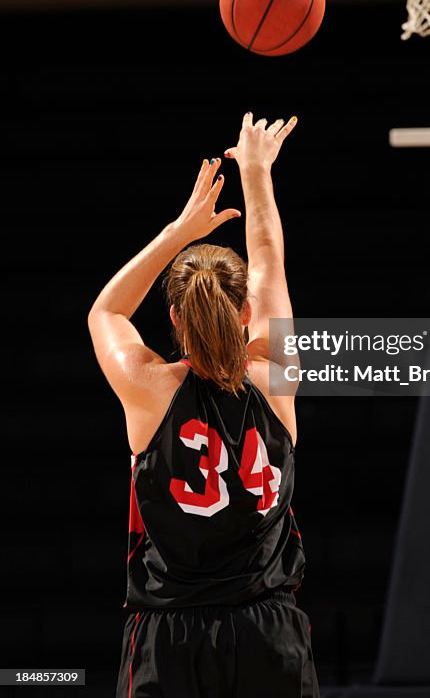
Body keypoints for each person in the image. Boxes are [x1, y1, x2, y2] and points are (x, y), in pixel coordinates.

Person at [88, 112, 319, 698]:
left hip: (169, 635)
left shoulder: (149, 388)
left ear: (172, 320)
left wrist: (179, 232)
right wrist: (258, 173)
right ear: (246, 313)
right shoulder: (277, 377)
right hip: (269, 629)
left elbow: (107, 313)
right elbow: (268, 258)